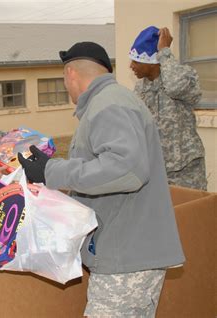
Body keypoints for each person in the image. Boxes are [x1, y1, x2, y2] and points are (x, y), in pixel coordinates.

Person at [18, 42, 185, 317]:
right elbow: (103, 167)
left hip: (127, 257)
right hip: (130, 250)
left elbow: (125, 169)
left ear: (70, 73)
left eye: (63, 78)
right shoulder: (110, 101)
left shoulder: (109, 105)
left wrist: (52, 172)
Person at [129, 26, 206, 190]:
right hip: (155, 169)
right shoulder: (139, 88)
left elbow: (174, 87)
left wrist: (164, 51)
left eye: (136, 60)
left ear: (151, 62)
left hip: (186, 170)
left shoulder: (184, 76)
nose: (131, 66)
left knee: (189, 214)